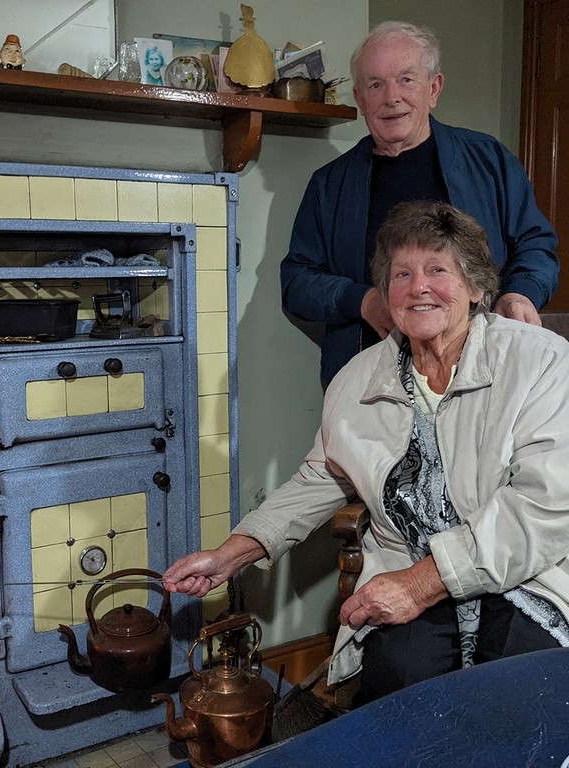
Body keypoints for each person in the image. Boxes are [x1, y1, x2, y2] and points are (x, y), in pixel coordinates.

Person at [164, 200, 569, 704]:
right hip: (406, 565)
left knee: (517, 684)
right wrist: (232, 554)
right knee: (398, 679)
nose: (418, 286)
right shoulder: (357, 378)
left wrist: (423, 584)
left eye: (438, 269)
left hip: (525, 573)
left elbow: (544, 505)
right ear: (385, 293)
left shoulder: (541, 362)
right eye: (402, 274)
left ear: (477, 287)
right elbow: (321, 477)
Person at [280, 21, 559, 388]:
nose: (391, 97)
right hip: (371, 380)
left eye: (406, 80)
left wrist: (521, 291)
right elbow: (296, 281)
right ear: (360, 99)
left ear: (434, 88)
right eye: (375, 84)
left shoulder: (489, 160)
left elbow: (536, 244)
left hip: (485, 374)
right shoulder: (329, 185)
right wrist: (362, 301)